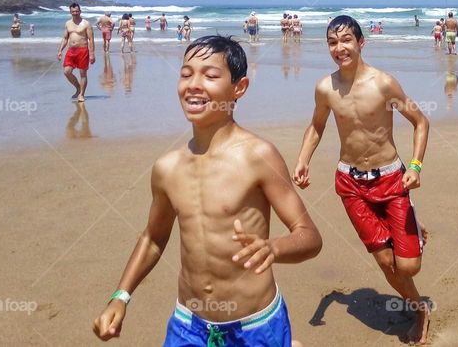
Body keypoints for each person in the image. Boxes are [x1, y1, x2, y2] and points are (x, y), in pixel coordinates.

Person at [93, 35, 323, 346]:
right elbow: (153, 237)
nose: (194, 84)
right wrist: (121, 296)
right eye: (186, 74)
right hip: (189, 324)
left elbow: (309, 236)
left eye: (211, 75)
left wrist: (274, 248)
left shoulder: (258, 156)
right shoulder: (167, 168)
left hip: (255, 325)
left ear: (238, 88)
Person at [291, 16, 431, 344]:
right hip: (350, 183)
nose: (339, 48)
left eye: (346, 41)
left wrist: (415, 166)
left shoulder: (384, 84)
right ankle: (420, 309)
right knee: (385, 262)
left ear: (361, 42)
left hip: (392, 180)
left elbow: (421, 121)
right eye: (332, 42)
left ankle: (413, 225)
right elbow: (316, 126)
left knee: (407, 266)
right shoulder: (325, 88)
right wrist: (302, 160)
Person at [57, 3, 95, 102]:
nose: (75, 13)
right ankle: (78, 88)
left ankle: (81, 94)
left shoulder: (86, 24)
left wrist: (92, 54)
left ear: (80, 11)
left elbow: (91, 39)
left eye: (77, 11)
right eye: (73, 11)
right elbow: (65, 38)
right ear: (70, 12)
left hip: (83, 50)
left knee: (83, 74)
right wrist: (60, 50)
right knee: (67, 72)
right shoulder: (68, 23)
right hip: (71, 51)